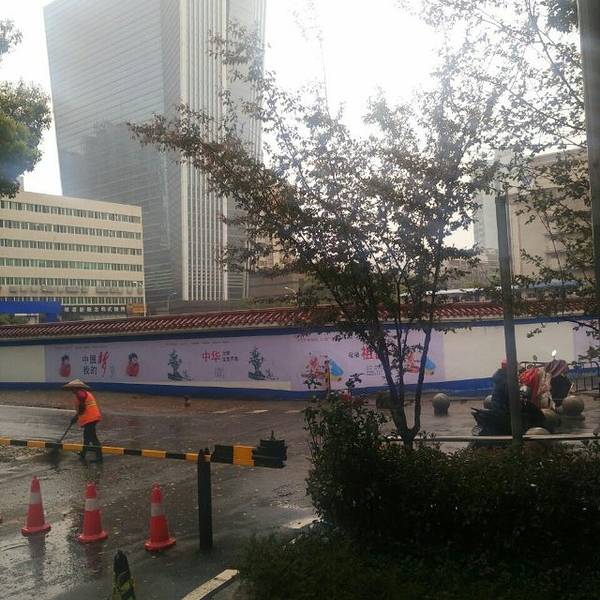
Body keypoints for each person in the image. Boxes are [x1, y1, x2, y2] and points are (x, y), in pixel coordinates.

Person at [63, 379, 103, 463]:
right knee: (86, 438)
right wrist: (76, 417)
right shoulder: (84, 393)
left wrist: (76, 417)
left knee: (93, 438)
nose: (72, 391)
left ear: (76, 388)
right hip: (92, 417)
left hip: (90, 418)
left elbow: (82, 407)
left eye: (72, 389)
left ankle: (99, 457)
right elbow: (81, 408)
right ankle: (83, 453)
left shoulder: (80, 393)